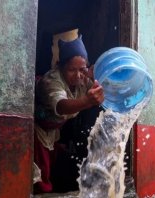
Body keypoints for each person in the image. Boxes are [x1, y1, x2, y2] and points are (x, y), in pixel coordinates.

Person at [34, 35, 104, 193]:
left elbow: (100, 89)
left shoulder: (84, 79)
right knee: (40, 175)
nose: (78, 75)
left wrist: (98, 77)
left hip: (55, 131)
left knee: (55, 166)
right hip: (37, 132)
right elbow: (61, 106)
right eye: (72, 70)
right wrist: (87, 101)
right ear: (60, 66)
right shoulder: (51, 81)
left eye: (82, 69)